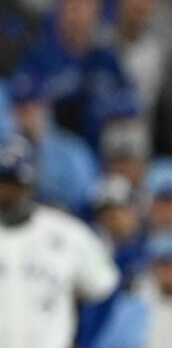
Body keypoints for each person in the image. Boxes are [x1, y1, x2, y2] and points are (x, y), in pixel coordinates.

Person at [0, 134, 119, 348]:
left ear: (30, 184)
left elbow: (105, 286)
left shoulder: (67, 232)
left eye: (14, 184)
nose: (7, 192)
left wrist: (86, 340)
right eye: (2, 183)